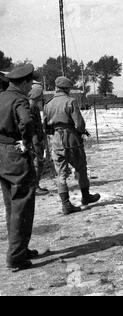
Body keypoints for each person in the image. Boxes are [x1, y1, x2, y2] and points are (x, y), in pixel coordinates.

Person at [43, 76, 100, 215]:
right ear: (67, 89)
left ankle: (66, 204)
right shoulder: (70, 101)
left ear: (56, 88)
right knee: (80, 168)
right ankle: (85, 197)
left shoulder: (48, 104)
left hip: (56, 140)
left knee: (61, 173)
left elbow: (45, 126)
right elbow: (79, 124)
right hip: (71, 139)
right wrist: (80, 132)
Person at [0, 64, 38, 271]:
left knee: (11, 206)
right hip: (15, 155)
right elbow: (26, 121)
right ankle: (16, 257)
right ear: (23, 82)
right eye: (30, 82)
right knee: (22, 204)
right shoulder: (19, 99)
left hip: (1, 155)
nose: (30, 86)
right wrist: (26, 141)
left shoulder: (1, 97)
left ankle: (20, 248)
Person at [29, 81, 49, 195]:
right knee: (37, 163)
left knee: (37, 163)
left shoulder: (34, 106)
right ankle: (35, 187)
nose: (42, 96)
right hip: (34, 140)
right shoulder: (31, 107)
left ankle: (35, 186)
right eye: (41, 94)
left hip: (37, 138)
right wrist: (36, 142)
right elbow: (31, 127)